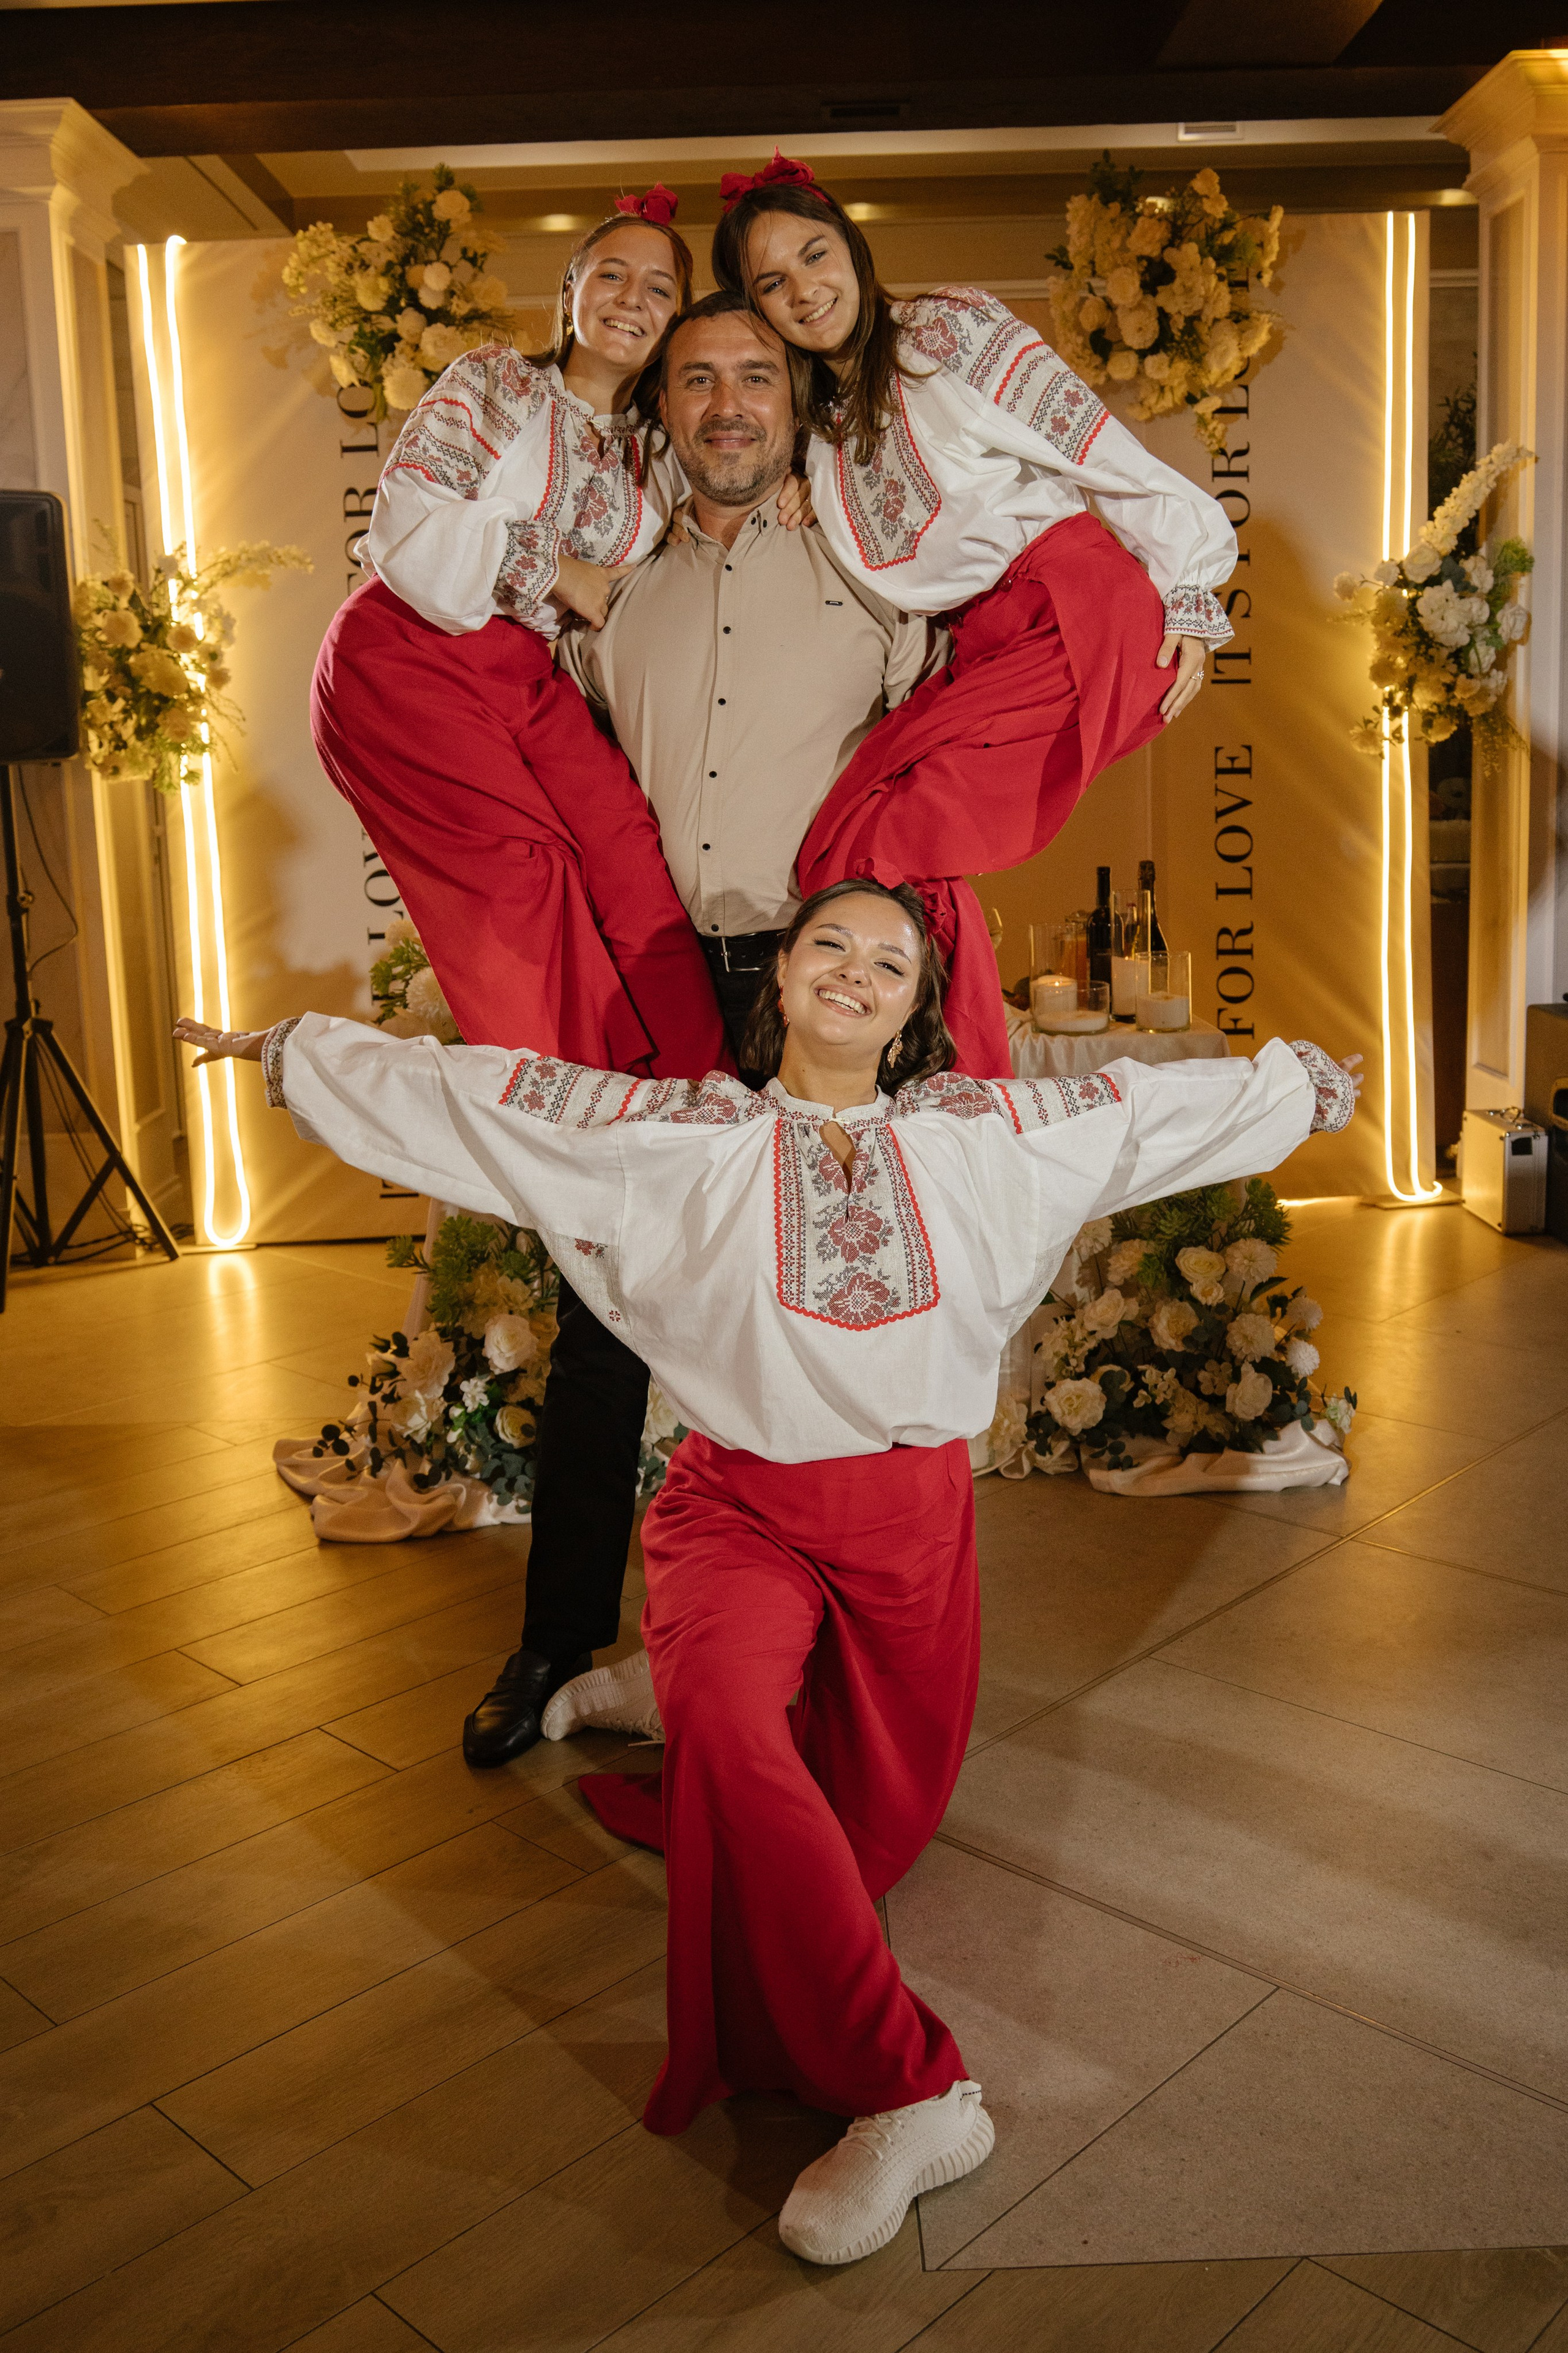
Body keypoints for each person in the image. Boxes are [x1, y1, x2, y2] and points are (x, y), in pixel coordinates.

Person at [175, 881, 1355, 2268]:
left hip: (908, 1525)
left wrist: (1293, 1085)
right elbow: (495, 1100)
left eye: (890, 962)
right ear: (780, 976)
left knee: (867, 1825)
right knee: (732, 1734)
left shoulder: (983, 1135)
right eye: (828, 946)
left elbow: (1145, 1110)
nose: (856, 972)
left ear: (917, 1005)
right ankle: (912, 2091)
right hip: (734, 1505)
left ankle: (635, 1688)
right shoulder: (686, 1135)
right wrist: (292, 1054)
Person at [463, 289, 948, 1764]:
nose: (726, 403)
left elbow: (944, 758)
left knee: (844, 1311)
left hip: (819, 987)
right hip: (659, 983)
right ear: (659, 411)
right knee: (608, 1310)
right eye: (695, 381)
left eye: (754, 376)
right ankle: (558, 1638)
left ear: (796, 403)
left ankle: (843, 1659)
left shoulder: (880, 579)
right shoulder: (609, 598)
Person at [711, 153, 1240, 1073]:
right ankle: (927, 1069)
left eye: (815, 253)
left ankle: (955, 1078)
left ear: (853, 246)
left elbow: (1097, 448)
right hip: (986, 645)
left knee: (890, 839)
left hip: (1075, 611)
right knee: (839, 841)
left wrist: (1192, 583)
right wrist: (799, 482)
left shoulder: (946, 335)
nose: (805, 289)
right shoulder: (821, 428)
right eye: (772, 283)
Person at [312, 187, 734, 1079]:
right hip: (408, 650)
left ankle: (704, 1096)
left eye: (659, 289)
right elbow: (407, 525)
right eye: (611, 274)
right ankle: (570, 1111)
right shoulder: (495, 382)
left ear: (677, 319)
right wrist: (557, 569)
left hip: (529, 674)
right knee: (530, 877)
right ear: (573, 286)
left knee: (630, 856)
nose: (632, 297)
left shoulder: (660, 452)